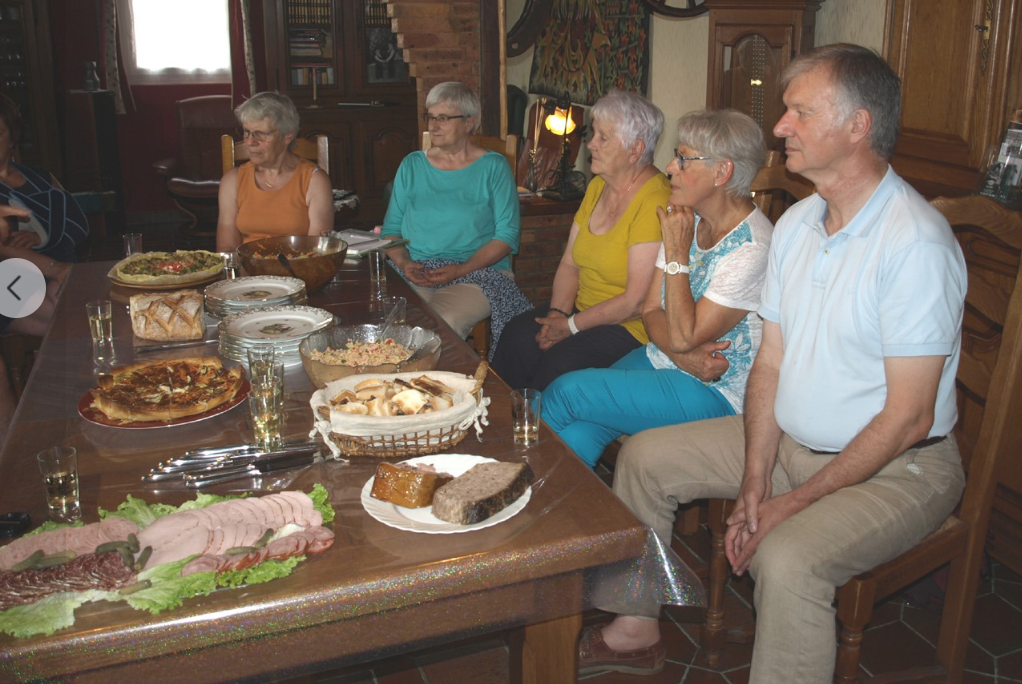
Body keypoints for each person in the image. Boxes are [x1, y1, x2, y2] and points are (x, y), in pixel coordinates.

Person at [579, 44, 968, 683]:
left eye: (798, 113)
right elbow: (771, 363)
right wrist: (757, 476)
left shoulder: (915, 244)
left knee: (785, 560)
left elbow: (907, 417)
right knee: (647, 460)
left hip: (900, 468)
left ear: (857, 127)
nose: (781, 127)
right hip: (790, 441)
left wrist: (787, 505)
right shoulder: (799, 224)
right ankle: (634, 626)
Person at [542, 109, 771, 468]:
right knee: (578, 429)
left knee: (568, 392)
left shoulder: (752, 248)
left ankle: (504, 486)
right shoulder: (686, 216)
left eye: (683, 159)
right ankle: (551, 511)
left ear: (722, 172)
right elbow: (651, 312)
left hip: (718, 392)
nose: (669, 166)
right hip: (667, 360)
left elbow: (684, 335)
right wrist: (682, 357)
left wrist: (678, 253)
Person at [491, 90, 669, 390]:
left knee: (560, 363)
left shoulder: (657, 200)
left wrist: (570, 327)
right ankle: (499, 425)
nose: (591, 145)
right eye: (594, 134)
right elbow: (570, 263)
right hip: (579, 312)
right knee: (517, 336)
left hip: (629, 327)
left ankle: (540, 432)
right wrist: (557, 314)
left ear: (635, 150)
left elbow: (636, 301)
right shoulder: (598, 186)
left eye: (603, 138)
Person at [382, 82, 529, 349]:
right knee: (392, 322)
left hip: (478, 273)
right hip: (416, 271)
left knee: (440, 321)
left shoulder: (493, 167)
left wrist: (461, 269)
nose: (434, 125)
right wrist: (404, 263)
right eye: (430, 117)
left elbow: (507, 236)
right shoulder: (412, 165)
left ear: (470, 123)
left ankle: (436, 387)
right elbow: (391, 230)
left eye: (444, 118)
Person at [217, 92, 334, 251]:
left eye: (261, 134)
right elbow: (227, 247)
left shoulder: (315, 180)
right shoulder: (232, 180)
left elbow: (317, 250)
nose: (250, 142)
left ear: (287, 136)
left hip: (298, 271)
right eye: (247, 132)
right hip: (248, 273)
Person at [0, 94, 88, 263]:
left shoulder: (41, 177)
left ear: (12, 139)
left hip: (64, 263)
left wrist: (42, 237)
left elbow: (77, 223)